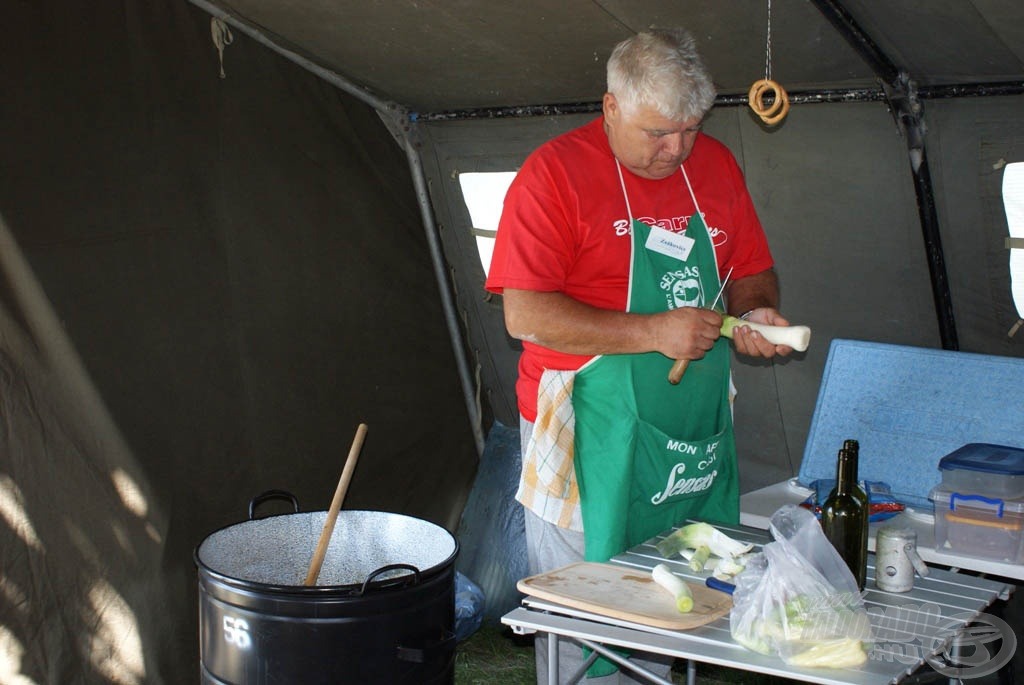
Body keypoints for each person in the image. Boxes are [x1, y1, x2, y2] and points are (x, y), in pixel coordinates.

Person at [485, 28, 793, 682]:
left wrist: (759, 308)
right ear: (610, 107)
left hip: (687, 438)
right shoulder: (554, 176)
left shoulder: (714, 166)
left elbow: (753, 269)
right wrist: (653, 332)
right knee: (587, 617)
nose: (677, 149)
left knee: (680, 604)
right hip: (584, 441)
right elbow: (526, 314)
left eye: (690, 129)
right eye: (658, 133)